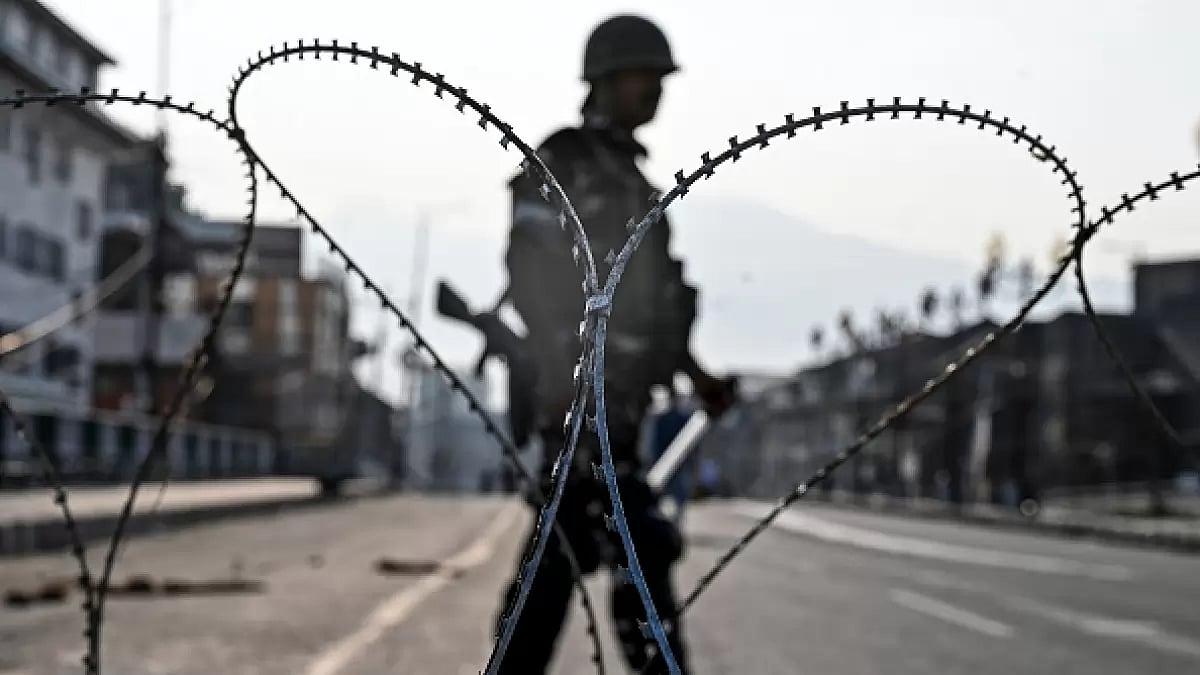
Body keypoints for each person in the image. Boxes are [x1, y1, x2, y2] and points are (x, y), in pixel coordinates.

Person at [493, 14, 735, 675]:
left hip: (625, 415)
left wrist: (698, 374)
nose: (653, 90)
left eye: (660, 79)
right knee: (569, 564)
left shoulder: (641, 188)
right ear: (603, 80)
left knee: (626, 562)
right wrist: (571, 365)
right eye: (641, 77)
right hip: (577, 412)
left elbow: (654, 304)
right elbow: (529, 271)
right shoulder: (564, 159)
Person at [650, 384, 695, 527]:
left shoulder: (662, 419)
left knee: (665, 497)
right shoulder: (681, 419)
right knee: (673, 497)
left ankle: (666, 524)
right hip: (674, 465)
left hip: (666, 465)